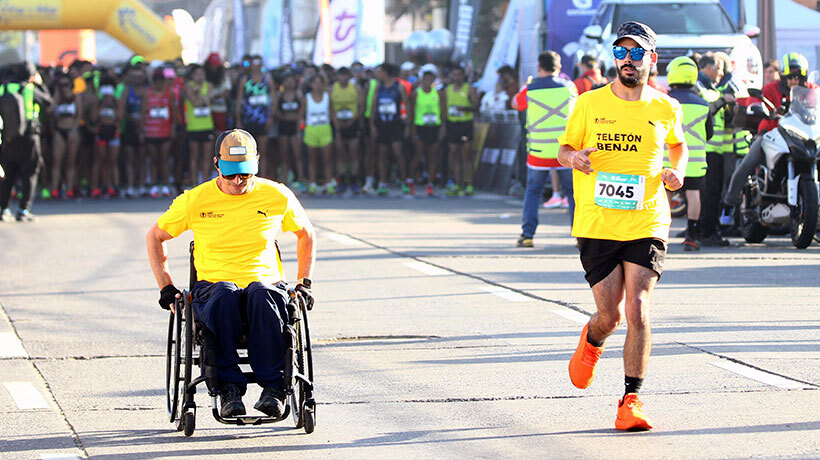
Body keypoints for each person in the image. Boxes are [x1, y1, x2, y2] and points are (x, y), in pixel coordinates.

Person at [557, 22, 687, 431]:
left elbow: (679, 146)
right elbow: (563, 148)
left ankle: (631, 400)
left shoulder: (666, 108)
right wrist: (574, 159)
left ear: (652, 58)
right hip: (597, 221)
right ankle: (593, 340)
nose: (627, 60)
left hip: (648, 217)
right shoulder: (588, 103)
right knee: (609, 316)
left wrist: (676, 172)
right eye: (620, 52)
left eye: (636, 53)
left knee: (638, 308)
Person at [146, 128, 316, 419]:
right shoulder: (195, 200)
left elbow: (306, 234)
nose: (238, 181)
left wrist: (304, 282)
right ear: (217, 165)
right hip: (213, 286)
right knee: (225, 293)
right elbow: (155, 236)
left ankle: (274, 388)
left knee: (262, 293)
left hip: (265, 283)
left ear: (257, 164)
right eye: (231, 174)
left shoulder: (277, 195)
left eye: (246, 174)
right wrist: (166, 288)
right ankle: (228, 389)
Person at [723, 52, 818, 208]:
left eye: (798, 78)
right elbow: (756, 100)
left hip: (804, 137)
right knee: (748, 162)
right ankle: (729, 202)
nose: (794, 81)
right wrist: (757, 107)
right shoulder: (770, 88)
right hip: (772, 134)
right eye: (790, 78)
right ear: (783, 77)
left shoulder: (812, 89)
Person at [513, 50, 577, 248]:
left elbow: (515, 103)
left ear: (539, 67)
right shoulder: (569, 87)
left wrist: (525, 85)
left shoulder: (530, 89)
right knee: (573, 193)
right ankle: (580, 236)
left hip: (538, 153)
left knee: (533, 192)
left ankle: (528, 235)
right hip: (564, 151)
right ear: (559, 68)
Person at [665, 56, 713, 251]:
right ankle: (692, 236)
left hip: (667, 160)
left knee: (665, 195)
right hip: (694, 161)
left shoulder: (664, 101)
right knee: (694, 195)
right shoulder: (703, 103)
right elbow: (709, 134)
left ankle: (661, 235)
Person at [0, 62, 52, 222]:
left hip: (7, 138)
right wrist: (41, 84)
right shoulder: (29, 89)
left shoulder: (3, 89)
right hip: (29, 137)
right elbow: (49, 103)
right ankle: (24, 209)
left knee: (7, 174)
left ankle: (4, 209)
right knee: (30, 172)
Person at [370, 63, 410, 196]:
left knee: (398, 152)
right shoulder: (378, 87)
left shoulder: (399, 86)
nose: (377, 74)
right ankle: (383, 183)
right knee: (382, 154)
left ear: (385, 72)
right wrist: (372, 125)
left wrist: (408, 125)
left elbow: (407, 105)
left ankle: (404, 181)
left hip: (395, 124)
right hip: (382, 124)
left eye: (379, 71)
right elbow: (373, 107)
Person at [235, 56, 276, 178]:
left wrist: (271, 117)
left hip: (263, 120)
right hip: (248, 120)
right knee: (247, 151)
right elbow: (239, 100)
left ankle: (262, 177)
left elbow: (274, 98)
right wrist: (238, 119)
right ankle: (248, 176)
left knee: (262, 151)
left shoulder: (267, 79)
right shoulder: (245, 80)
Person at [408, 67, 445, 196]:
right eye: (426, 79)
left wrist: (442, 128)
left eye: (430, 79)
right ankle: (410, 181)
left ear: (433, 80)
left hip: (434, 127)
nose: (428, 81)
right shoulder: (416, 93)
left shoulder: (438, 93)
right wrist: (412, 130)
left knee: (432, 156)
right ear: (422, 80)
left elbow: (442, 112)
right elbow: (412, 112)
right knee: (418, 155)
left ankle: (430, 184)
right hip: (420, 126)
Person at [442, 65, 478, 196]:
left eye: (459, 74)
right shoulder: (447, 90)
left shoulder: (470, 89)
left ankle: (469, 184)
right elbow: (444, 109)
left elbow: (476, 106)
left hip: (465, 124)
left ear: (463, 76)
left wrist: (465, 108)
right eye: (454, 74)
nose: (456, 77)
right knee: (454, 153)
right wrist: (444, 126)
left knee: (467, 154)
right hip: (452, 125)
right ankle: (457, 184)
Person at [48, 73, 83, 199]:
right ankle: (54, 189)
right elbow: (50, 111)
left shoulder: (76, 97)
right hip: (59, 130)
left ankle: (69, 188)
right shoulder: (57, 98)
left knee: (70, 162)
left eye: (66, 85)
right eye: (61, 85)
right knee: (57, 162)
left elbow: (79, 115)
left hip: (71, 130)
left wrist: (74, 129)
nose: (64, 88)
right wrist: (56, 97)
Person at [142, 67, 175, 198]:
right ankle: (154, 184)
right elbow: (143, 112)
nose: (159, 84)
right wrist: (141, 129)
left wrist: (173, 128)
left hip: (165, 131)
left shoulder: (169, 93)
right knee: (154, 159)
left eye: (161, 81)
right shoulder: (147, 93)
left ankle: (166, 184)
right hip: (151, 132)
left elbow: (174, 111)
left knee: (165, 159)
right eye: (156, 81)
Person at [300, 74, 336, 195]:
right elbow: (302, 115)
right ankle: (313, 183)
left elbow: (332, 114)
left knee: (327, 159)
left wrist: (337, 130)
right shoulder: (307, 98)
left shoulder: (327, 97)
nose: (318, 85)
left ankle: (328, 183)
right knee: (312, 159)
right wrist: (300, 130)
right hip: (311, 129)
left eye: (320, 83)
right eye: (315, 83)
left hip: (325, 128)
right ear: (311, 85)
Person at [118, 63, 148, 197]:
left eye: (140, 77)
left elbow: (147, 109)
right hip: (130, 127)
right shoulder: (126, 90)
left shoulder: (146, 90)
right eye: (135, 77)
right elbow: (122, 108)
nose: (138, 80)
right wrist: (130, 117)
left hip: (144, 127)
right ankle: (130, 185)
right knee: (130, 157)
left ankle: (141, 185)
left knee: (141, 158)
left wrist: (141, 124)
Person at [330, 67, 361, 193]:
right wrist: (336, 122)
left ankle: (353, 180)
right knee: (340, 153)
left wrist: (353, 120)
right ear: (338, 77)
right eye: (341, 75)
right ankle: (342, 180)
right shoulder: (333, 88)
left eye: (345, 75)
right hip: (338, 124)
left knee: (353, 153)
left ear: (349, 76)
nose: (343, 78)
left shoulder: (355, 87)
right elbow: (330, 107)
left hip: (352, 124)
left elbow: (361, 105)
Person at [184, 64, 216, 187]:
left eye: (202, 74)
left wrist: (199, 95)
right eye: (197, 74)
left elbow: (208, 101)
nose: (200, 77)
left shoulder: (208, 86)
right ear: (192, 75)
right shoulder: (188, 86)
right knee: (194, 156)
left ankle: (205, 184)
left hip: (207, 125)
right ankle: (194, 183)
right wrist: (203, 98)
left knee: (207, 156)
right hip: (193, 126)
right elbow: (195, 103)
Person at [90, 81, 121, 198]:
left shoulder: (116, 104)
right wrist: (102, 105)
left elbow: (120, 117)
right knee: (100, 160)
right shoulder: (98, 104)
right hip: (101, 132)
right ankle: (98, 187)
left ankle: (114, 186)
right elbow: (93, 118)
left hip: (113, 133)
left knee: (113, 161)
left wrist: (113, 105)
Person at [275, 73, 304, 189]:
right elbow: (275, 110)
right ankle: (285, 180)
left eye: (291, 80)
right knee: (284, 155)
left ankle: (301, 179)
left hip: (295, 126)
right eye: (287, 80)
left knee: (298, 155)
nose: (289, 83)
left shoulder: (298, 94)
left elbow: (302, 111)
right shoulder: (280, 95)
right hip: (283, 125)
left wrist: (298, 127)